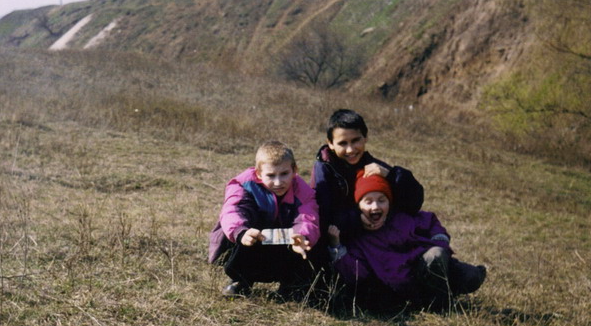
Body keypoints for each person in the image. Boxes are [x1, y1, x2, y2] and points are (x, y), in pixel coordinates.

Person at [326, 170, 486, 310]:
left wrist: (440, 243)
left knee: (469, 276)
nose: (375, 207)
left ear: (390, 202)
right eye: (368, 201)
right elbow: (357, 273)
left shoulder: (402, 218)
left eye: (382, 200)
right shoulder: (359, 236)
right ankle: (440, 304)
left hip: (427, 268)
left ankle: (441, 291)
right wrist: (336, 247)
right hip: (401, 285)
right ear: (358, 206)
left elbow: (430, 222)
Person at [208, 140, 320, 299]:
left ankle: (291, 284)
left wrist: (302, 236)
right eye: (271, 175)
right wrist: (241, 232)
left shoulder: (304, 191)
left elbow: (308, 218)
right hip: (249, 238)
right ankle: (241, 280)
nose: (278, 182)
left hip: (284, 242)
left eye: (284, 174)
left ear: (294, 170)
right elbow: (233, 210)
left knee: (306, 241)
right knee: (245, 232)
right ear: (258, 173)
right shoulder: (242, 184)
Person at [311, 109, 424, 242]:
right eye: (343, 143)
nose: (350, 149)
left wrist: (392, 175)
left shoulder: (374, 167)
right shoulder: (324, 170)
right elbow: (322, 214)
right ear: (330, 143)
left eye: (355, 140)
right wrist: (357, 218)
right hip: (337, 240)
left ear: (365, 137)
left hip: (377, 237)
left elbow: (413, 204)